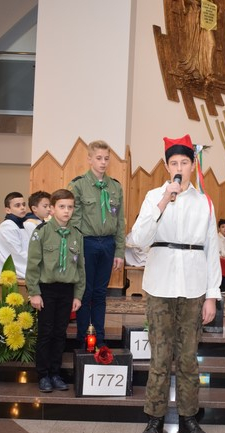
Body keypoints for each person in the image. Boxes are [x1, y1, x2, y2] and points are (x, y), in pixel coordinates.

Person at [128, 134, 221, 433]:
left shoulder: (204, 202)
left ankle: (188, 418)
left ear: (193, 166)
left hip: (193, 287)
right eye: (173, 163)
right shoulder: (155, 196)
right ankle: (154, 417)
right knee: (159, 356)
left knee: (188, 358)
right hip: (160, 285)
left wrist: (212, 295)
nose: (179, 168)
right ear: (167, 167)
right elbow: (138, 240)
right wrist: (163, 202)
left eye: (184, 162)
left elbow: (211, 250)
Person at [26, 189, 85, 393]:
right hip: (46, 290)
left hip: (66, 290)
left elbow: (81, 268)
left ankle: (55, 373)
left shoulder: (77, 234)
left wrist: (78, 295)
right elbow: (33, 264)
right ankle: (43, 375)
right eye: (62, 207)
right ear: (52, 209)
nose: (66, 211)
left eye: (70, 207)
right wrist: (34, 292)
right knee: (46, 333)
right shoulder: (41, 232)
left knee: (60, 333)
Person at [68, 140, 125, 348]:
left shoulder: (115, 187)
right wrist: (76, 249)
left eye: (106, 159)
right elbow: (74, 221)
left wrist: (119, 251)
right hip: (87, 243)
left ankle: (99, 338)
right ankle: (84, 339)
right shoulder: (78, 185)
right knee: (85, 292)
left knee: (101, 294)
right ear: (90, 159)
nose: (103, 162)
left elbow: (120, 221)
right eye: (99, 158)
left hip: (108, 243)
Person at [0, 191, 29, 279]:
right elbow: (17, 254)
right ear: (8, 210)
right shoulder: (8, 227)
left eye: (23, 205)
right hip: (10, 276)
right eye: (17, 205)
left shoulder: (23, 225)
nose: (22, 208)